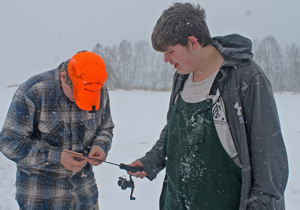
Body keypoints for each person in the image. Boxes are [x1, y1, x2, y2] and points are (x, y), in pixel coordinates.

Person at [129, 3, 289, 210]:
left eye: (170, 51)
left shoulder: (245, 78)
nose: (166, 60)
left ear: (193, 42)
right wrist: (150, 161)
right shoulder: (182, 76)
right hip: (176, 203)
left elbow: (269, 157)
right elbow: (176, 132)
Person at [0, 51, 114, 209]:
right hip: (43, 199)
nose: (82, 103)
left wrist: (100, 146)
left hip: (85, 198)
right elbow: (9, 143)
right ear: (63, 77)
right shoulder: (33, 92)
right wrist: (56, 156)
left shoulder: (100, 92)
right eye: (78, 94)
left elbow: (105, 128)